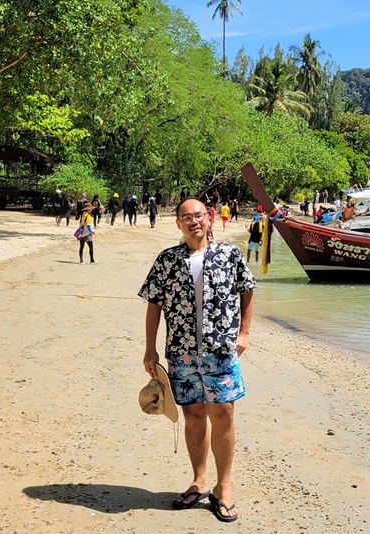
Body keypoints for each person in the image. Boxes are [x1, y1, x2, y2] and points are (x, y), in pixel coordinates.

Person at [140, 196, 255, 523]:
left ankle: (224, 487)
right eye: (186, 217)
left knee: (224, 414)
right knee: (193, 415)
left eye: (199, 215)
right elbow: (154, 305)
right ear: (178, 224)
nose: (194, 221)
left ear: (210, 219)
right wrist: (150, 348)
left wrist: (244, 333)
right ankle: (199, 480)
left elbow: (247, 289)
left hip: (221, 351)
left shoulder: (229, 254)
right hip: (181, 352)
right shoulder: (167, 260)